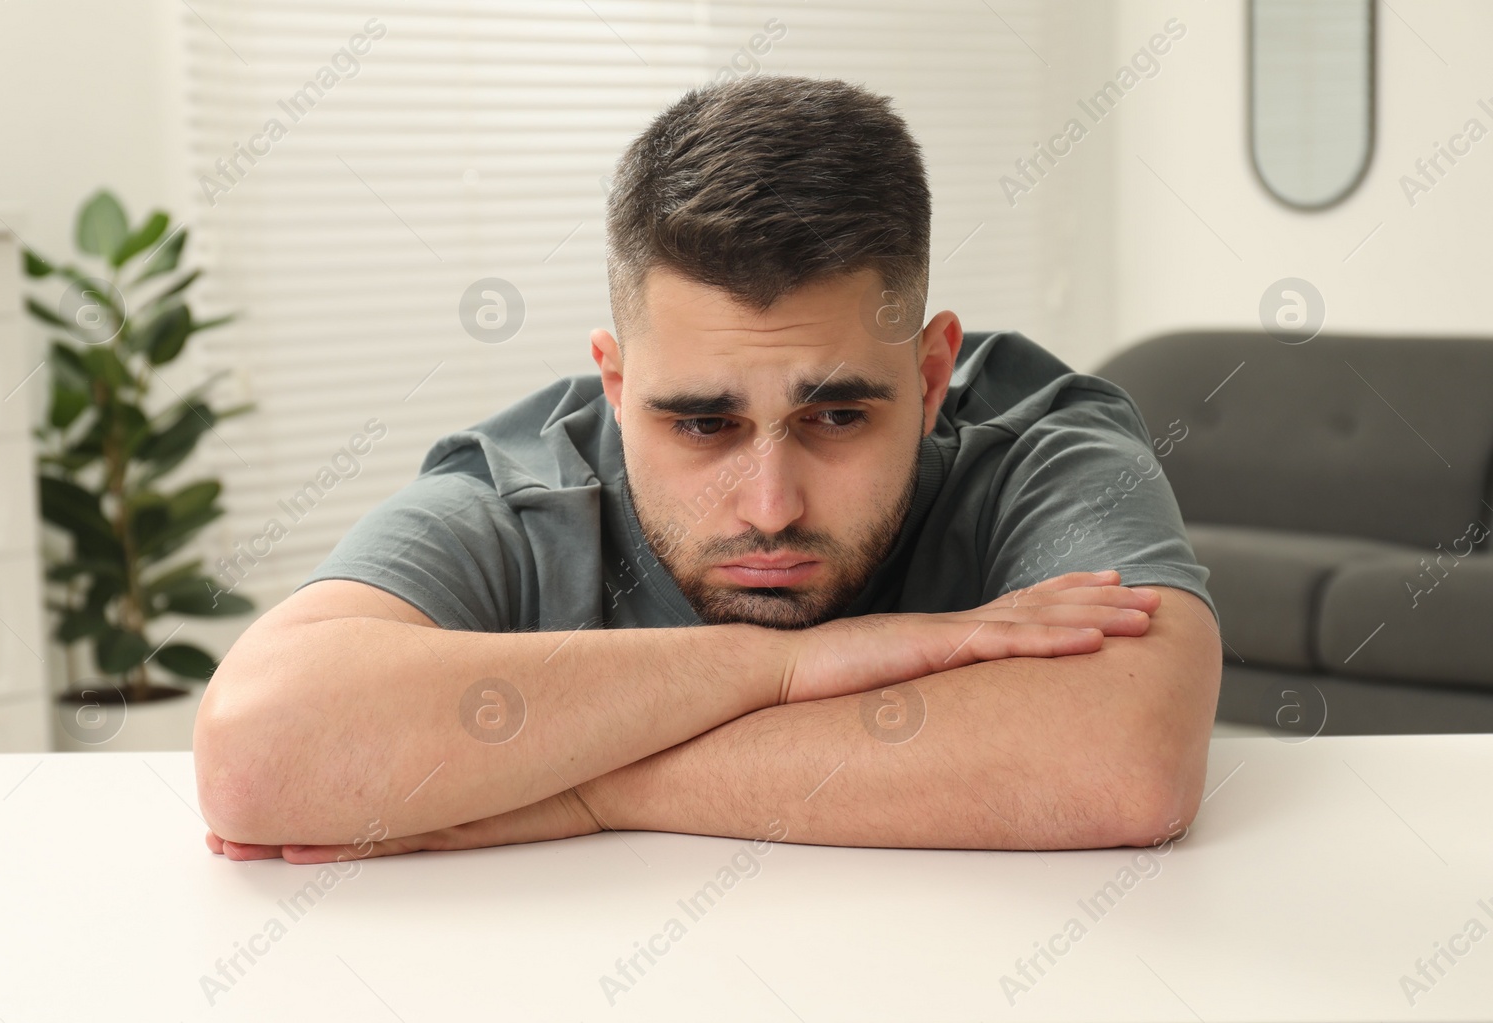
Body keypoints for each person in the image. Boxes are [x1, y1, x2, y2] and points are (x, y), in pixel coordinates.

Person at [195, 75, 1221, 863]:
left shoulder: (1037, 442)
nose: (769, 508)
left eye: (837, 415)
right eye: (700, 426)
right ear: (612, 378)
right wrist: (778, 667)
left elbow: (1126, 760)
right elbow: (257, 752)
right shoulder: (521, 491)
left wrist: (589, 792)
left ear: (932, 373)